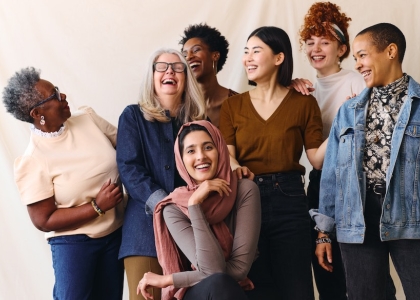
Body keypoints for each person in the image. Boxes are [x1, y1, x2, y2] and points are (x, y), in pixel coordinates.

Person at [311, 23, 420, 300]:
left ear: (391, 51)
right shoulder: (347, 112)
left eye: (362, 55)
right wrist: (324, 232)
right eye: (356, 59)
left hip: (414, 218)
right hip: (357, 220)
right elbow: (333, 175)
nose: (358, 65)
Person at [292, 3, 396, 300]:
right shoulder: (302, 88)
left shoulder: (358, 81)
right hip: (320, 181)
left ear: (342, 48)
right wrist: (289, 86)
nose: (316, 48)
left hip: (355, 185)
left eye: (325, 42)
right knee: (328, 273)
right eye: (310, 42)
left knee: (367, 277)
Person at [219, 26, 327, 300]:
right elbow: (227, 154)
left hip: (290, 200)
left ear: (279, 58)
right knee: (256, 288)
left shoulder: (304, 103)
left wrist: (344, 125)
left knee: (297, 288)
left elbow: (316, 159)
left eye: (256, 51)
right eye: (246, 52)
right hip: (245, 199)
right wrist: (233, 166)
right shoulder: (233, 106)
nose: (248, 58)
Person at [3, 67, 125, 300]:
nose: (64, 96)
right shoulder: (32, 161)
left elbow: (128, 149)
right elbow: (44, 220)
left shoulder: (87, 119)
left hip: (115, 232)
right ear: (38, 112)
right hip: (74, 243)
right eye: (56, 94)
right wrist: (97, 207)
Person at [116, 48, 206, 300]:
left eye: (178, 67)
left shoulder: (198, 122)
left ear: (186, 77)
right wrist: (164, 205)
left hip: (192, 230)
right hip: (143, 233)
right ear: (152, 76)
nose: (170, 71)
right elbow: (129, 168)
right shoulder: (133, 116)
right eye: (162, 67)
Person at [136, 120, 261, 300]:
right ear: (181, 159)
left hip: (227, 289)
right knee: (220, 283)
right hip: (200, 293)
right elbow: (215, 272)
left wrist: (168, 280)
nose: (201, 156)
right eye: (191, 151)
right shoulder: (173, 208)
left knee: (223, 284)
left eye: (208, 147)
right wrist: (194, 204)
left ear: (220, 149)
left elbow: (238, 269)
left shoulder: (245, 190)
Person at [180, 23, 238, 127]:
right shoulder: (180, 105)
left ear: (215, 55)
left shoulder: (238, 102)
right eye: (184, 55)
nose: (188, 57)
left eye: (196, 50)